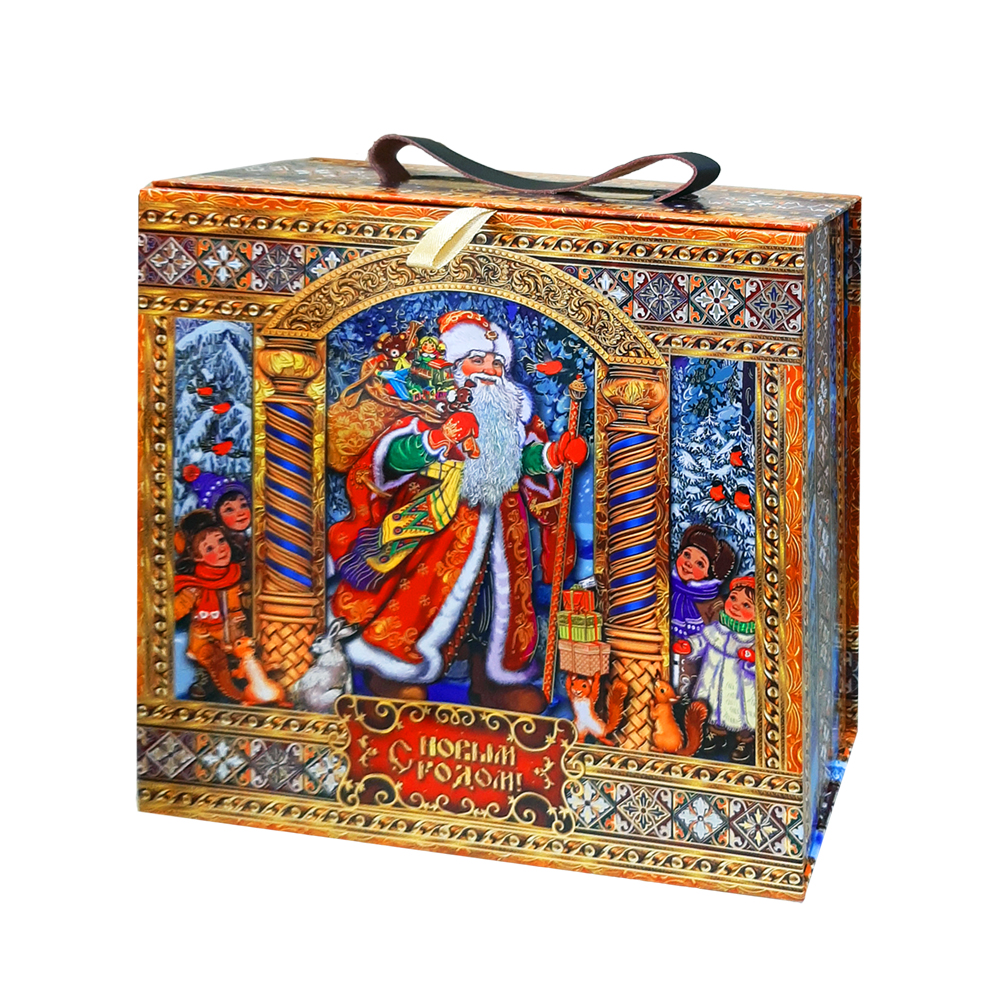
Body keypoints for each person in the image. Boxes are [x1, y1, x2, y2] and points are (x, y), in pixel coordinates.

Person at [328, 310, 588, 712]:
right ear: (454, 366)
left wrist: (553, 455)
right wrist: (436, 440)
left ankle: (493, 680)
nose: (489, 370)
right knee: (422, 600)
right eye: (477, 360)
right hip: (437, 530)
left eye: (496, 362)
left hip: (504, 533)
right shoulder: (430, 408)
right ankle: (393, 670)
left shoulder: (512, 418)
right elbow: (389, 458)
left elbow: (522, 460)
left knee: (496, 610)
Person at [673, 576, 757, 763]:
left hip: (739, 687)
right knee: (715, 710)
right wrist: (690, 646)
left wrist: (752, 659)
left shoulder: (753, 639)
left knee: (743, 714)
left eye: (746, 605)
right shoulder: (717, 629)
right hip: (713, 681)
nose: (736, 606)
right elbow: (702, 640)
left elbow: (763, 664)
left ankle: (745, 740)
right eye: (733, 598)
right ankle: (716, 734)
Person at [173, 510, 247, 702]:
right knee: (210, 661)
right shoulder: (193, 585)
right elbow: (174, 613)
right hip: (204, 640)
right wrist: (186, 599)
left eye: (221, 541)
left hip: (232, 636)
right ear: (197, 557)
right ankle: (206, 681)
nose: (220, 549)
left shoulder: (236, 575)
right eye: (209, 549)